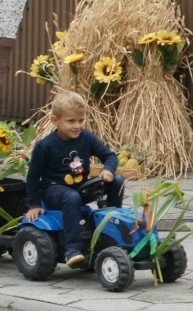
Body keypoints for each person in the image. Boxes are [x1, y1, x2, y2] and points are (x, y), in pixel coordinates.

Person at [24, 93, 122, 268]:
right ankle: (73, 250)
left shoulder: (86, 138)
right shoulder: (45, 146)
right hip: (53, 190)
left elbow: (110, 155)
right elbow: (32, 176)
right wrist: (34, 204)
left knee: (117, 181)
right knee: (71, 197)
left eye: (81, 120)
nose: (77, 126)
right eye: (71, 121)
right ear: (55, 120)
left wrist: (108, 169)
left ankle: (112, 227)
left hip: (81, 188)